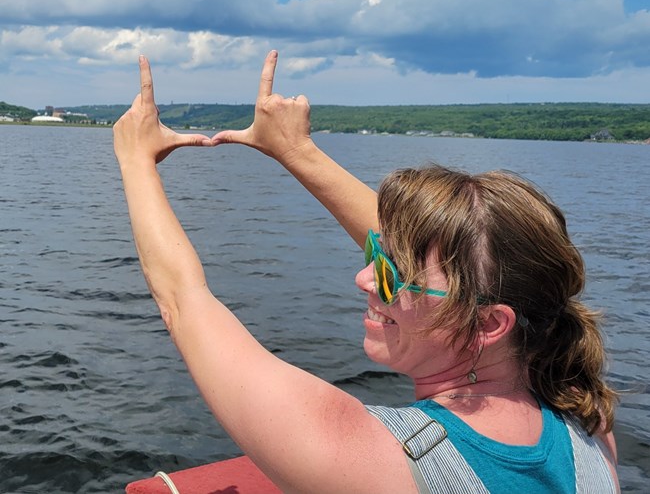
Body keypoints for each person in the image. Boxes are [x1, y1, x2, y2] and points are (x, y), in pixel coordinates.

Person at [114, 51, 619, 493]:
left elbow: (183, 300)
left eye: (393, 276)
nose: (364, 278)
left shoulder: (362, 460)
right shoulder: (587, 423)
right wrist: (295, 150)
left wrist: (135, 158)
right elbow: (457, 263)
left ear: (490, 324)